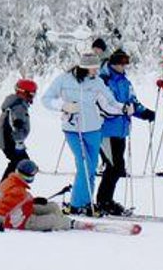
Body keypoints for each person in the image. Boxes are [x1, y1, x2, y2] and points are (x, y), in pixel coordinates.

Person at [42, 53, 127, 215]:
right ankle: (76, 204)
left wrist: (123, 108)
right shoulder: (64, 79)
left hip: (94, 129)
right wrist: (64, 106)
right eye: (94, 68)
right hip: (73, 129)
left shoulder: (97, 82)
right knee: (84, 165)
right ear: (85, 67)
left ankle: (86, 202)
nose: (97, 71)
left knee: (92, 167)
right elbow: (46, 99)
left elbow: (109, 103)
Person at [97, 49, 155, 215]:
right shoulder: (103, 81)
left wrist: (144, 113)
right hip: (106, 130)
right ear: (113, 63)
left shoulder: (124, 82)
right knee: (113, 166)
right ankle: (103, 201)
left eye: (125, 64)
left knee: (118, 167)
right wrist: (124, 109)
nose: (123, 67)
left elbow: (132, 102)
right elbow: (107, 104)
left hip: (121, 130)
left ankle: (107, 200)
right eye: (121, 63)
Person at [0, 160, 73, 232]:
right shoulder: (17, 190)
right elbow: (4, 205)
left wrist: (33, 201)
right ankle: (70, 223)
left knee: (53, 207)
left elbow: (13, 201)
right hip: (20, 221)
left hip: (20, 211)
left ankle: (65, 220)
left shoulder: (9, 181)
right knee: (53, 220)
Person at [0, 79, 37, 181]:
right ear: (24, 93)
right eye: (31, 94)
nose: (32, 98)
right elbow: (16, 124)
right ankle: (4, 189)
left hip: (10, 138)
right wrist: (18, 142)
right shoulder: (18, 106)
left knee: (20, 162)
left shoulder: (17, 103)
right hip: (10, 139)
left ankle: (9, 188)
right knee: (19, 163)